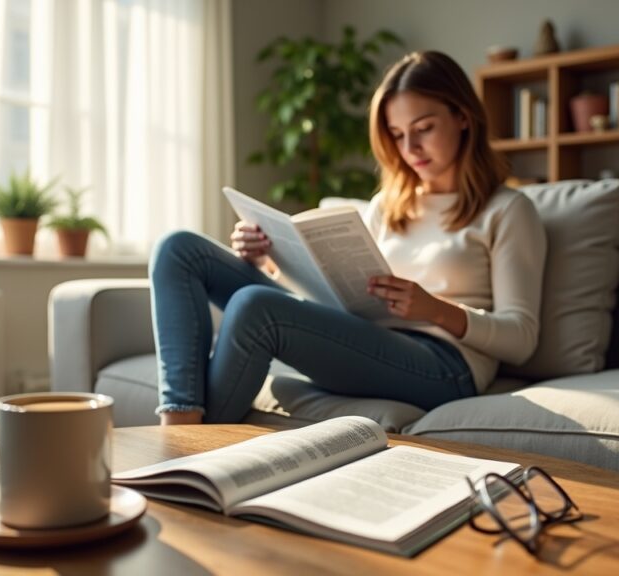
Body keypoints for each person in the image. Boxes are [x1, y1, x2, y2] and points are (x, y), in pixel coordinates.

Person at [149, 50, 546, 425]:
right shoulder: (386, 206)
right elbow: (334, 296)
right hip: (364, 336)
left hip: (444, 365)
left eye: (423, 129)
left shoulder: (508, 210)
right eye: (397, 134)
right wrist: (267, 259)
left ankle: (184, 443)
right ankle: (178, 419)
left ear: (463, 117)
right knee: (179, 250)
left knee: (257, 306)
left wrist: (434, 309)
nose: (410, 148)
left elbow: (522, 338)